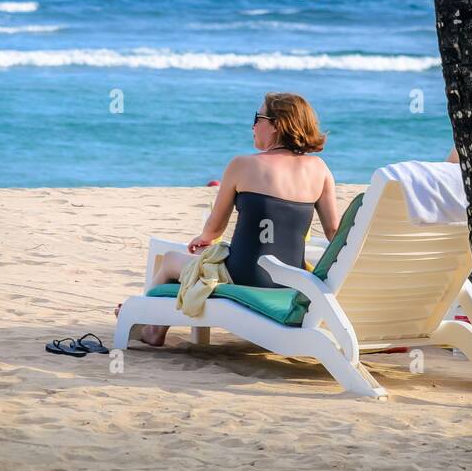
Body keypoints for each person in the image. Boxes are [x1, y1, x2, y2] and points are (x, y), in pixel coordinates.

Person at [140, 93, 339, 347]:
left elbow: (214, 227)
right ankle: (152, 325)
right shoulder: (319, 169)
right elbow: (334, 231)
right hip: (291, 279)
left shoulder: (242, 165)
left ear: (277, 125)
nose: (253, 126)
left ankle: (152, 328)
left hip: (243, 274)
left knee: (170, 261)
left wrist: (204, 239)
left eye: (258, 118)